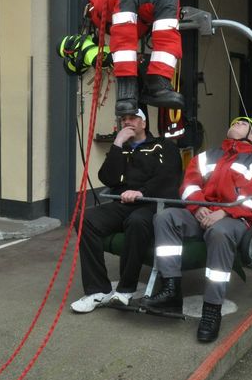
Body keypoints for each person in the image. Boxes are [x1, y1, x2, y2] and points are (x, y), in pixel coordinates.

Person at [142, 117, 252, 343]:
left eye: (243, 124)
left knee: (219, 233)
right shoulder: (206, 157)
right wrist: (198, 207)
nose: (236, 124)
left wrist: (223, 212)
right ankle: (171, 289)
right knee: (164, 218)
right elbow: (189, 185)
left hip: (233, 219)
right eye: (235, 122)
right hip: (201, 213)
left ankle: (212, 309)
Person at [71, 108, 182, 313]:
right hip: (123, 203)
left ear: (144, 123)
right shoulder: (122, 148)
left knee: (137, 221)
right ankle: (98, 290)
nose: (127, 122)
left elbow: (169, 176)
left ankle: (125, 289)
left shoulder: (163, 146)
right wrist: (117, 144)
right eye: (124, 119)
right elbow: (108, 178)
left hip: (152, 203)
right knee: (84, 218)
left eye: (133, 118)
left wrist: (142, 192)